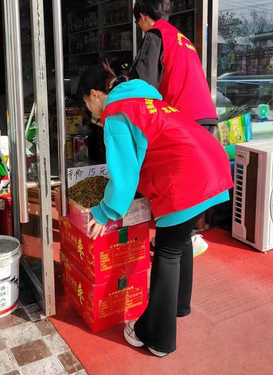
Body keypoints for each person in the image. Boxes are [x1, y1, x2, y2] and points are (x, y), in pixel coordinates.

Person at [78, 63, 233, 357]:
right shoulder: (147, 100)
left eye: (87, 103)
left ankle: (156, 337)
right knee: (180, 241)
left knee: (167, 252)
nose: (90, 111)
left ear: (95, 94)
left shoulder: (116, 113)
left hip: (187, 177)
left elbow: (124, 176)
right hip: (212, 163)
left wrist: (104, 211)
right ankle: (178, 305)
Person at [130, 0, 218, 133]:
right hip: (207, 116)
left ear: (143, 16)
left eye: (137, 22)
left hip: (183, 117)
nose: (140, 26)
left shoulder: (156, 34)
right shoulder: (182, 39)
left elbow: (144, 82)